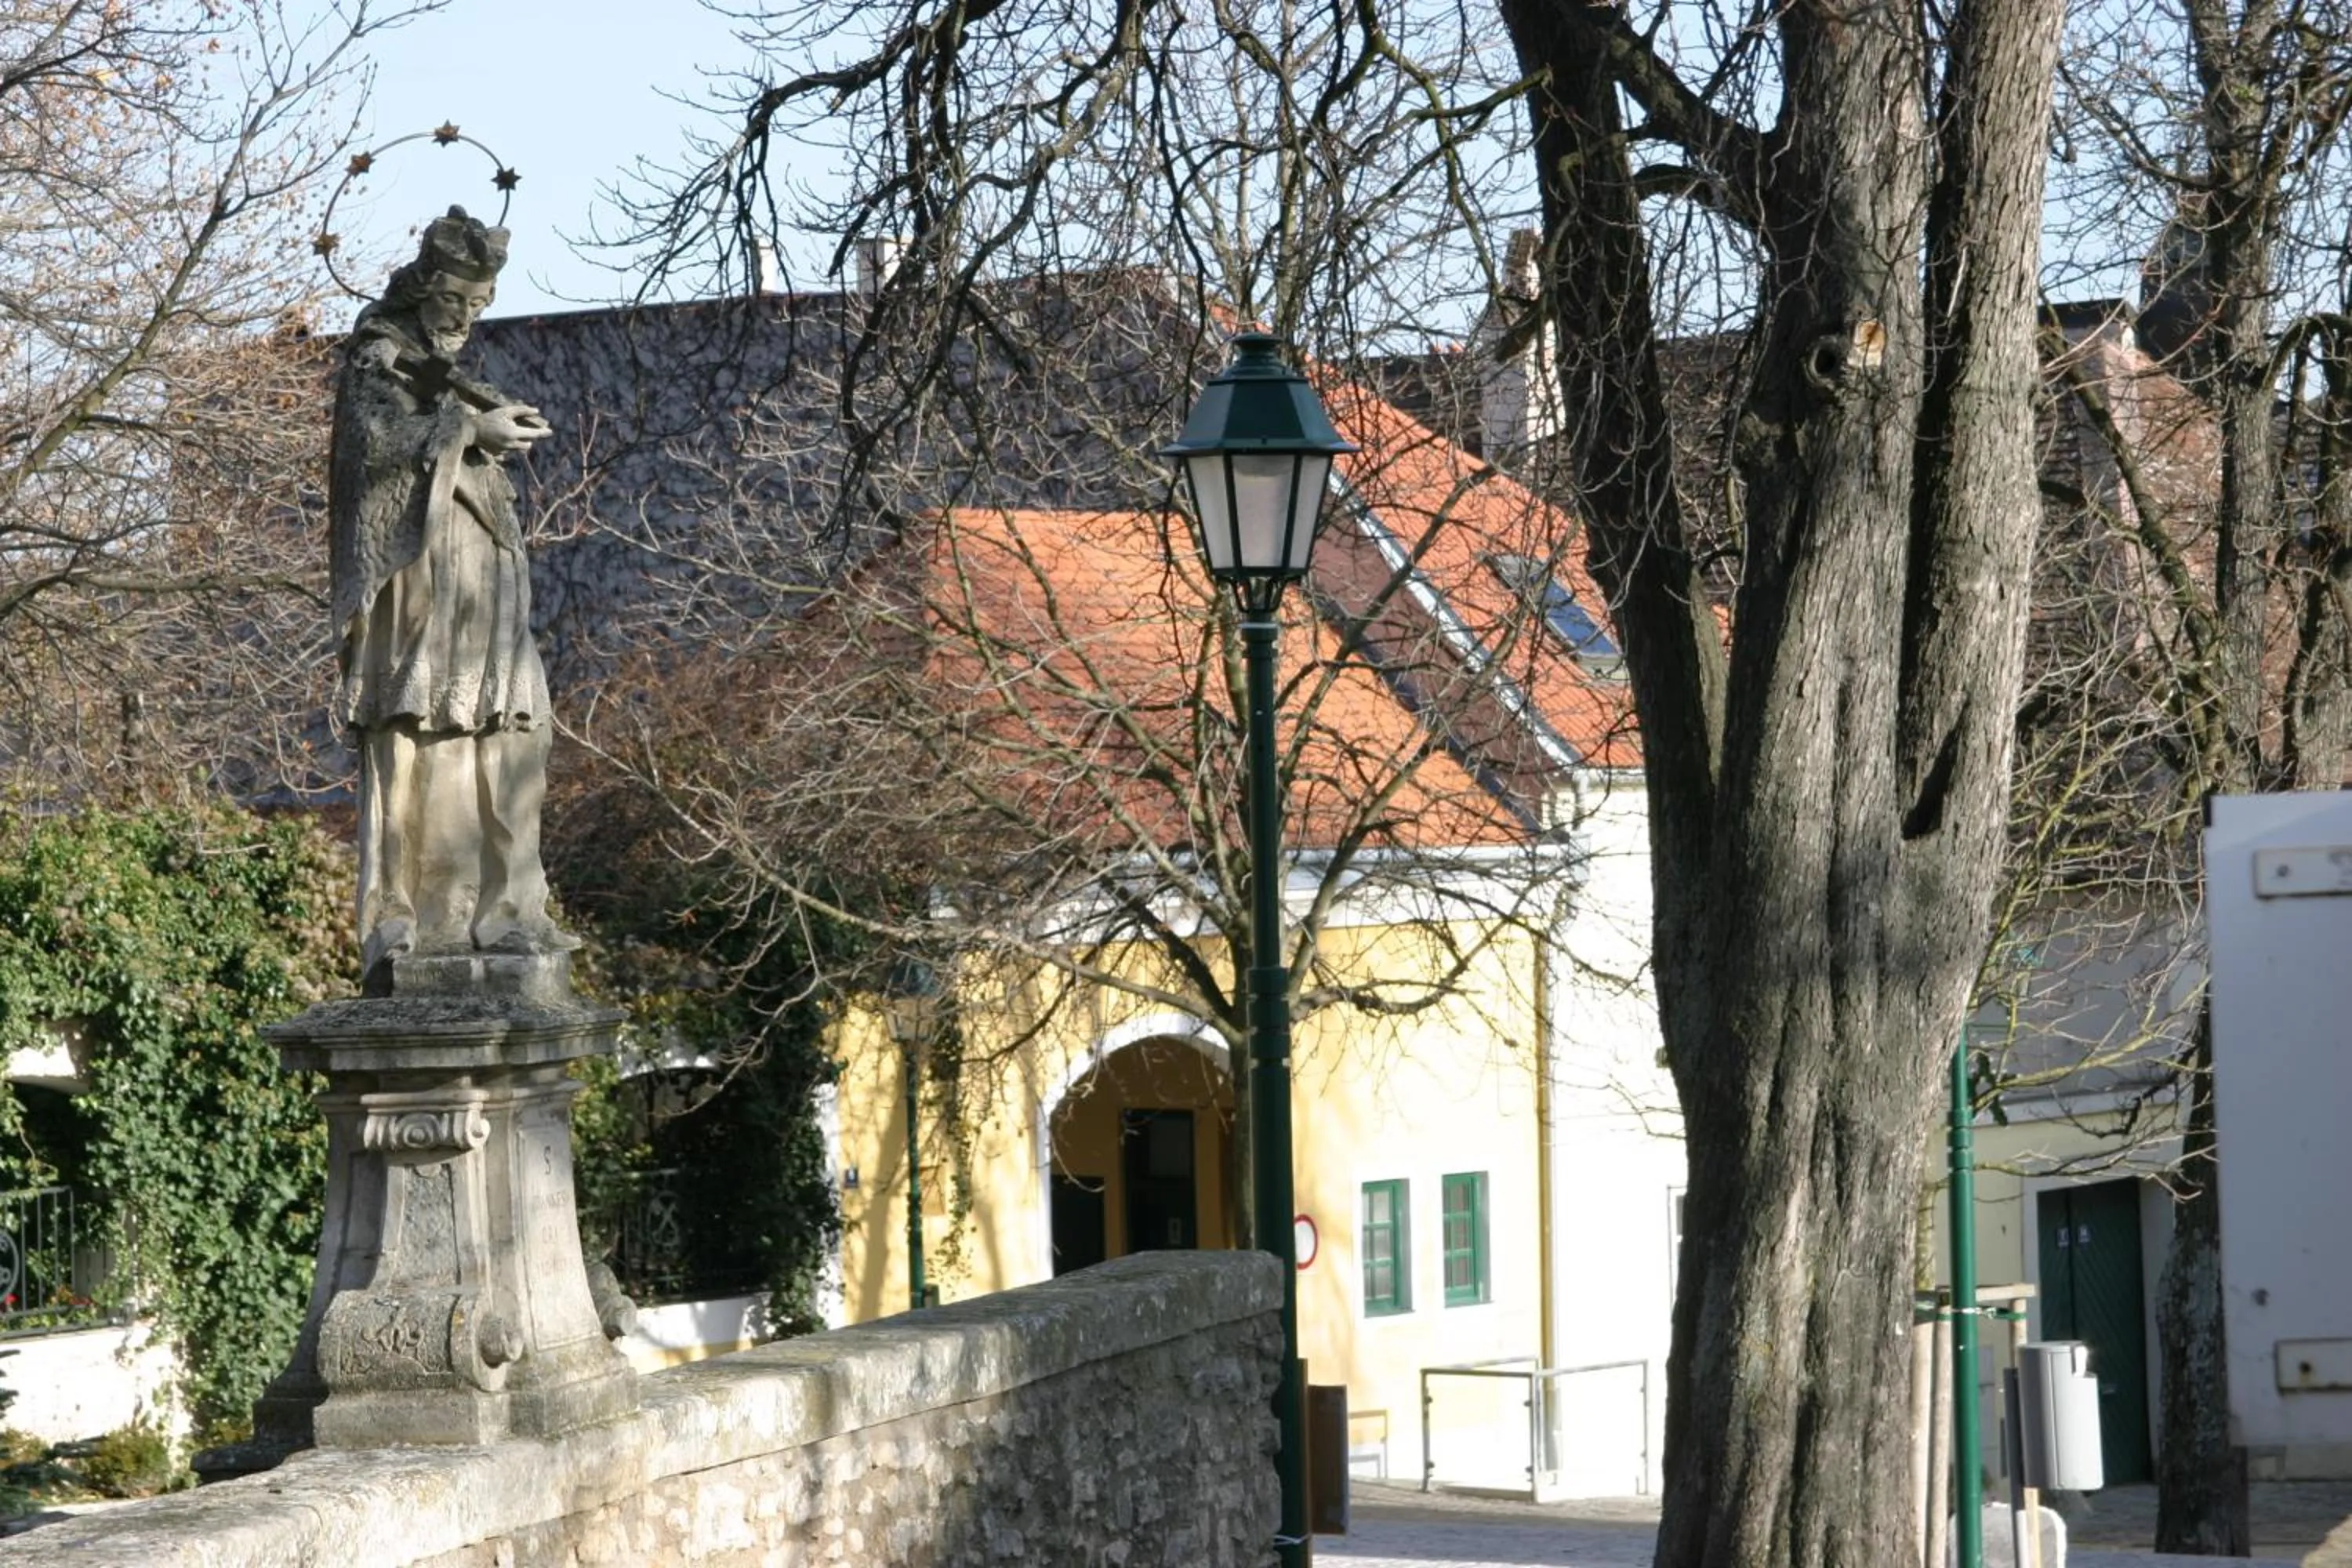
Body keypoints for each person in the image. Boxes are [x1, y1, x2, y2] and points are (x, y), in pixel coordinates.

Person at [328, 205, 572, 985]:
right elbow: (377, 452)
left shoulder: (431, 363)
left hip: (484, 581)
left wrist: (487, 420)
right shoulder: (380, 353)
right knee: (422, 731)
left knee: (510, 729)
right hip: (426, 584)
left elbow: (447, 412)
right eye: (454, 299)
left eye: (480, 301)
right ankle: (416, 919)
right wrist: (473, 433)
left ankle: (504, 911)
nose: (467, 315)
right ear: (426, 282)